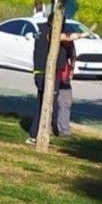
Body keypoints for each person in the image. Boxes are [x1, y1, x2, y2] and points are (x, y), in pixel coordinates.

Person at [28, 15, 74, 144]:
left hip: (45, 72)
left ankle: (37, 133)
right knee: (46, 104)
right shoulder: (50, 33)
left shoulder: (41, 29)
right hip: (46, 73)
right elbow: (65, 37)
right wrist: (85, 33)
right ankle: (37, 134)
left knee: (43, 103)